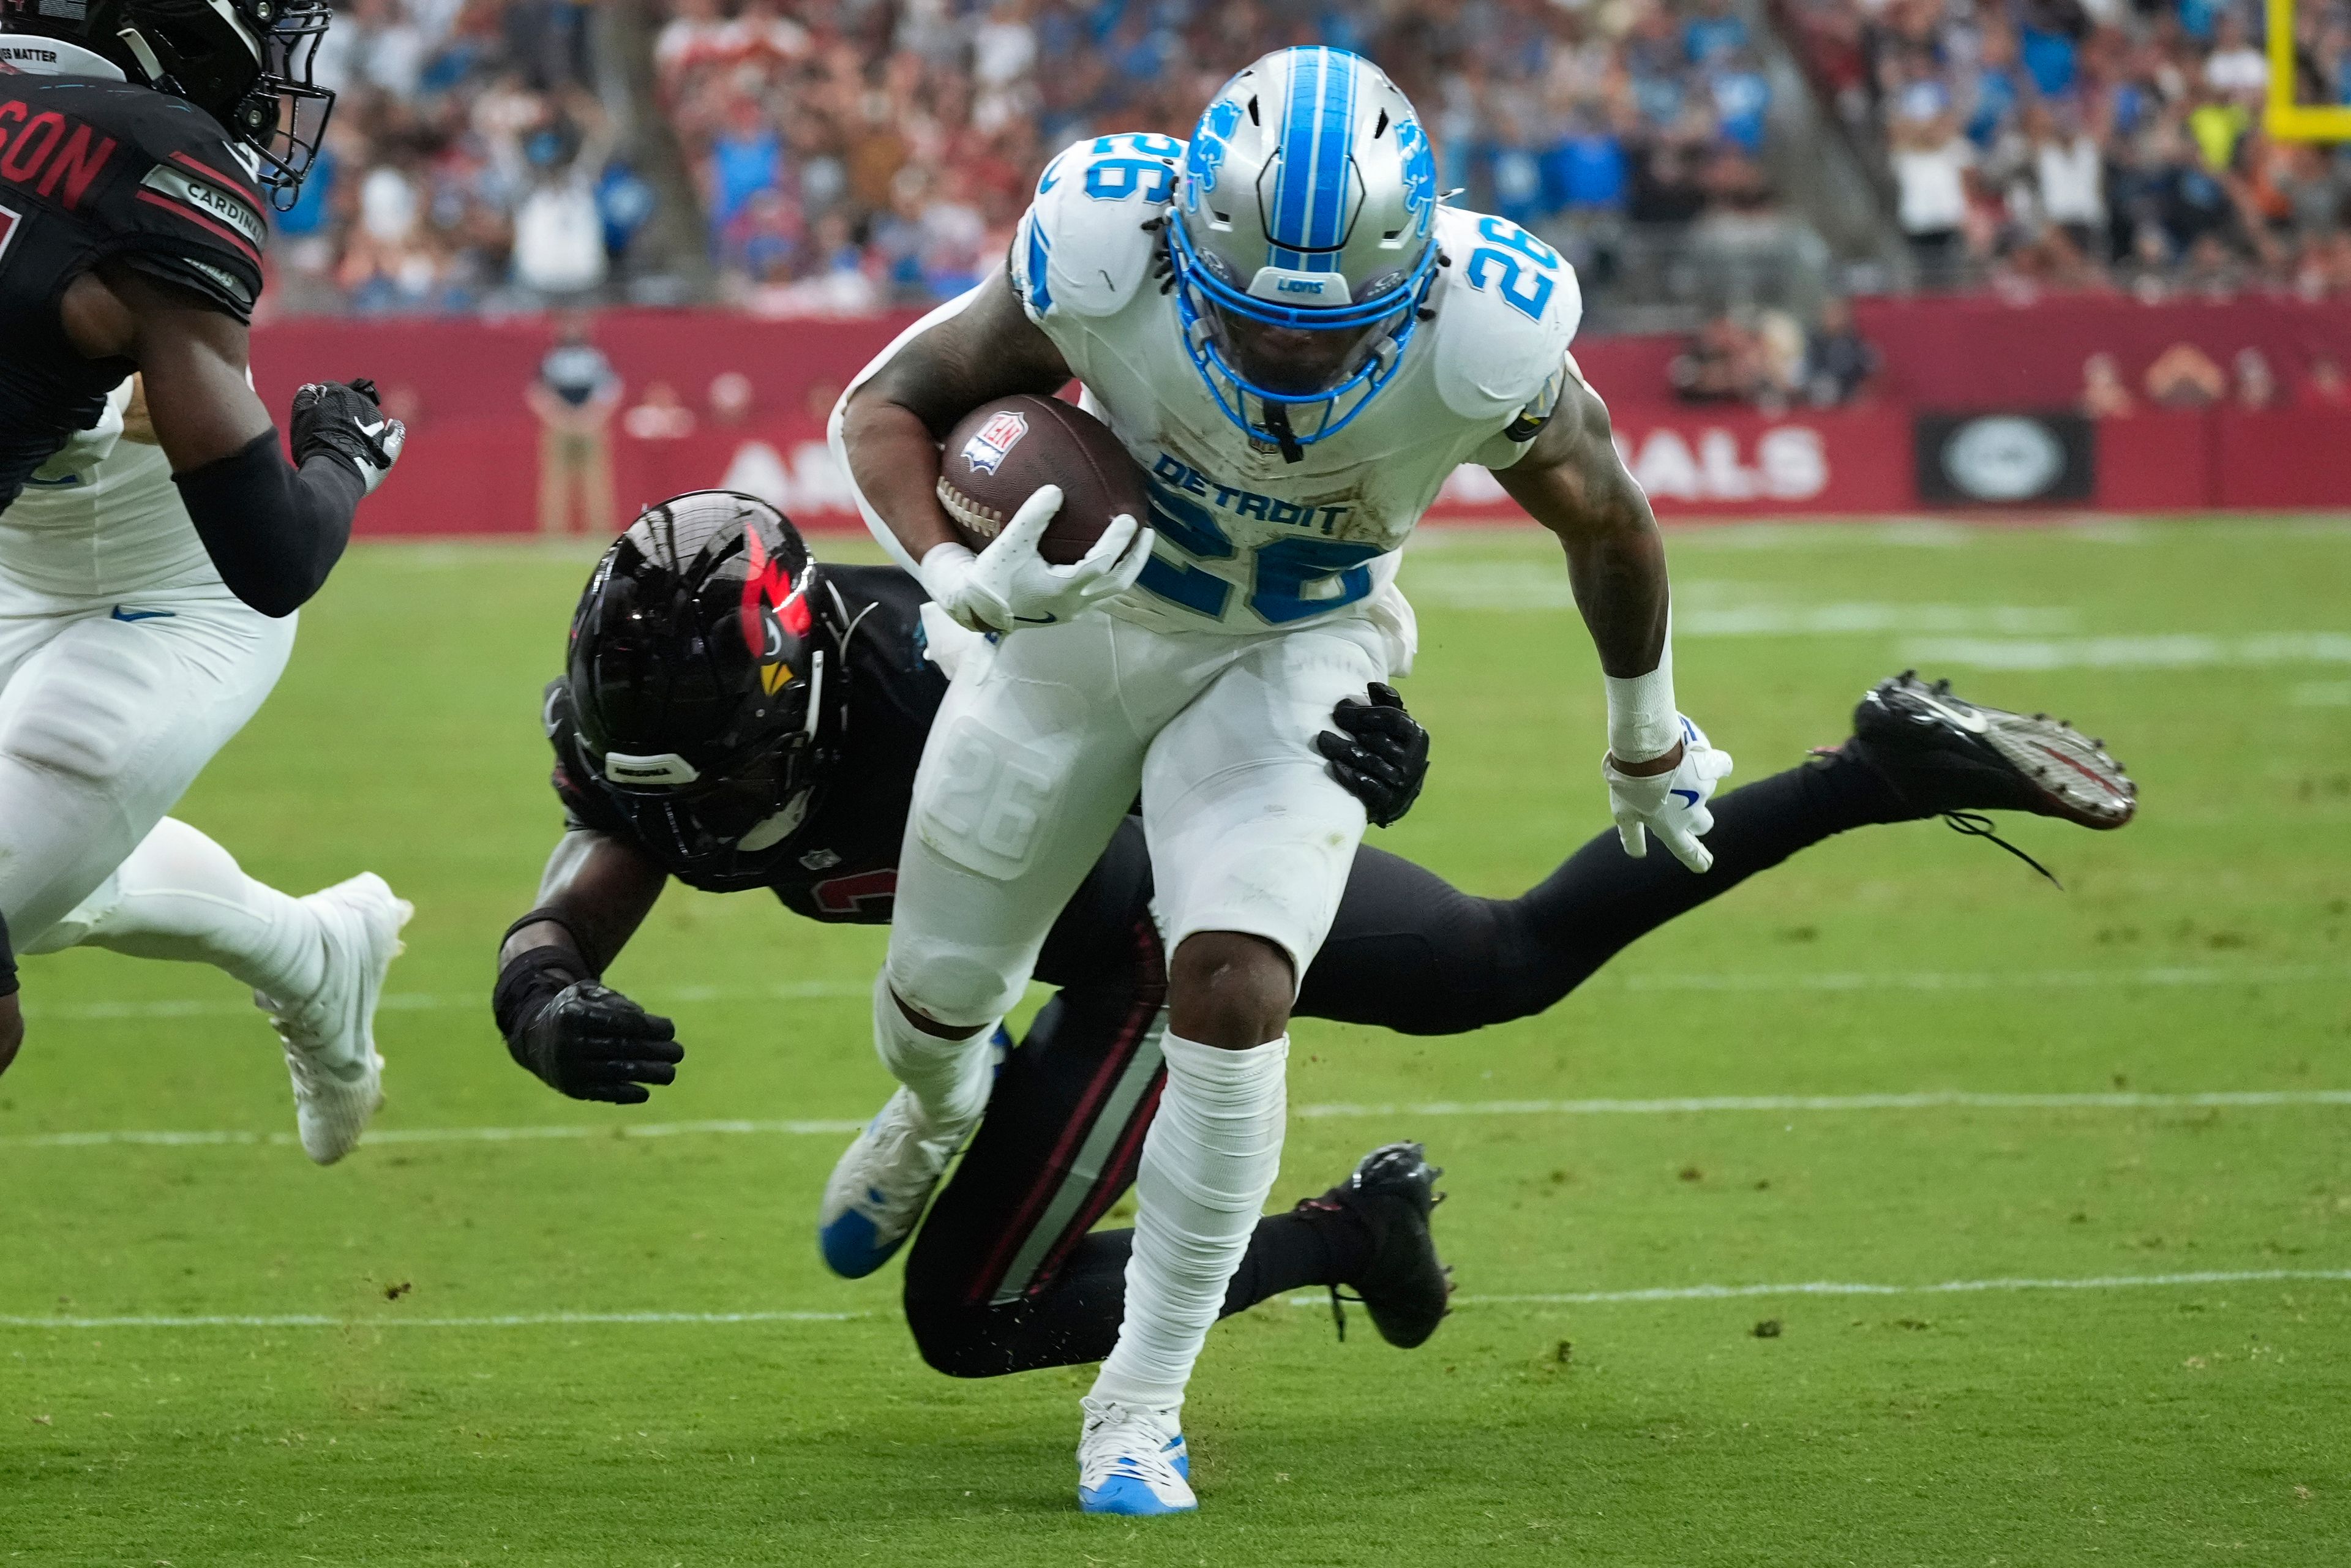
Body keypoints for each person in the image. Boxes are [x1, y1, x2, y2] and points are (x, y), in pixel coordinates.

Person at [490, 493, 2137, 1423]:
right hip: (1067, 947)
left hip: (1156, 923)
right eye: (666, 765)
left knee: (971, 1318)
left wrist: (1347, 764)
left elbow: (1186, 695)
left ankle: (1301, 1237)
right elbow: (587, 884)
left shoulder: (953, 673)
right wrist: (541, 991)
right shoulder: (676, 730)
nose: (702, 804)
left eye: (725, 759)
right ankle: (1884, 769)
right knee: (1506, 961)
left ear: (810, 687)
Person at [830, 47, 1731, 1514]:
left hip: (1295, 651)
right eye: (1248, 318)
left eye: (1334, 330)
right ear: (1190, 244)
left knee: (1237, 983)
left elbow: (1609, 520)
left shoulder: (1485, 326)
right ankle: (934, 1103)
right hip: (1077, 634)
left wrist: (1648, 729)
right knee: (936, 996)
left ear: (1409, 278)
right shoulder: (1100, 241)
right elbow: (887, 403)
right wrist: (951, 573)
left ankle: (1139, 1397)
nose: (1289, 358)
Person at [0, 0, 407, 1080]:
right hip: (23, 553)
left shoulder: (132, 197)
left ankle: (312, 954)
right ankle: (313, 949)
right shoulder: (147, 171)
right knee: (27, 886)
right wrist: (350, 457)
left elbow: (265, 562)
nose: (270, 74)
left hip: (167, 586)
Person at [527, 313, 621, 536]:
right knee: (556, 481)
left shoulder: (596, 359)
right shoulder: (551, 360)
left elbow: (611, 390)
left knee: (596, 481)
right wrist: (558, 417)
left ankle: (600, 530)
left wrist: (593, 416)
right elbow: (538, 392)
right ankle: (553, 532)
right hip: (559, 425)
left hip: (591, 425)